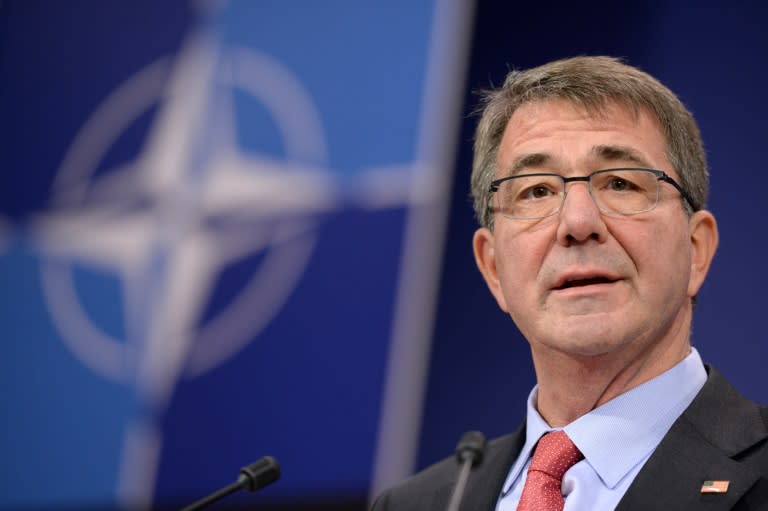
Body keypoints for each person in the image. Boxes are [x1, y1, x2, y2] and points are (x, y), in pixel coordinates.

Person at [371, 56, 768, 510]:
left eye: (620, 183)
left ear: (697, 249)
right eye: (537, 190)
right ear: (493, 267)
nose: (577, 223)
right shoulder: (413, 505)